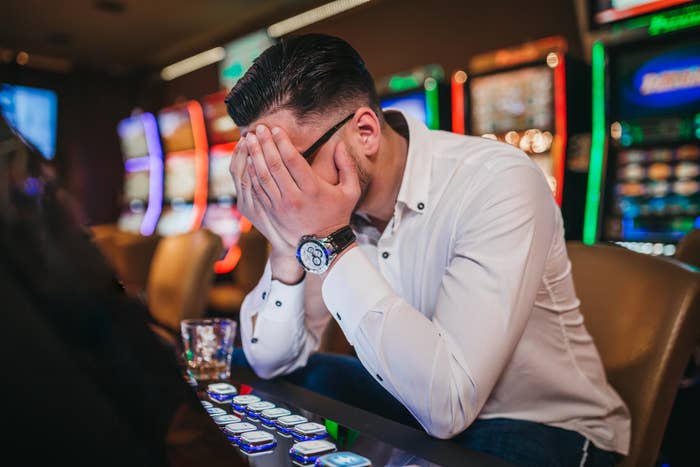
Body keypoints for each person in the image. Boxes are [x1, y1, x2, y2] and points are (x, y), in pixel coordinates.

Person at [226, 34, 630, 466]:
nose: (277, 190)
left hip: (540, 423)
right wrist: (287, 247)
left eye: (287, 165)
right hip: (413, 398)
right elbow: (269, 360)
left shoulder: (495, 181)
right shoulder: (318, 212)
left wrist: (329, 238)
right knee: (247, 372)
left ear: (364, 132)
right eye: (262, 167)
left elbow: (448, 407)